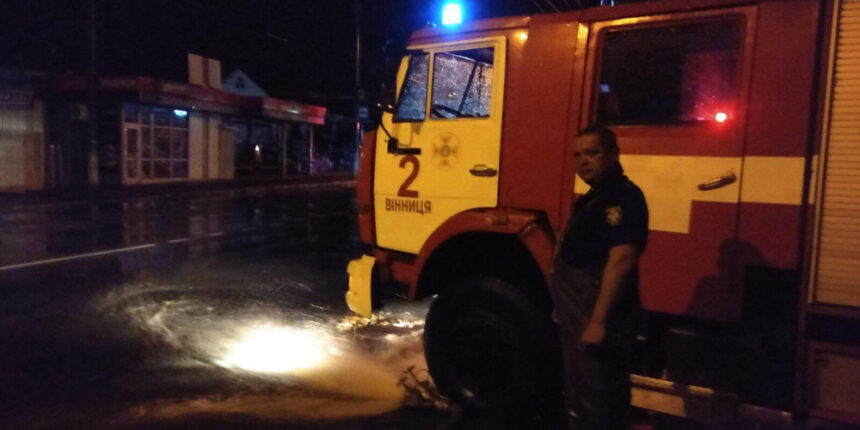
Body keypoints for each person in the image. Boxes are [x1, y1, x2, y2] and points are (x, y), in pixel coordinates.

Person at [550, 125, 649, 430]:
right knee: (582, 384)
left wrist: (598, 321)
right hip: (578, 308)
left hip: (592, 310)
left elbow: (622, 260)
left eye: (592, 153)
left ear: (613, 154)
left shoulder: (622, 197)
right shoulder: (598, 196)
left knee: (598, 391)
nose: (583, 161)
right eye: (577, 155)